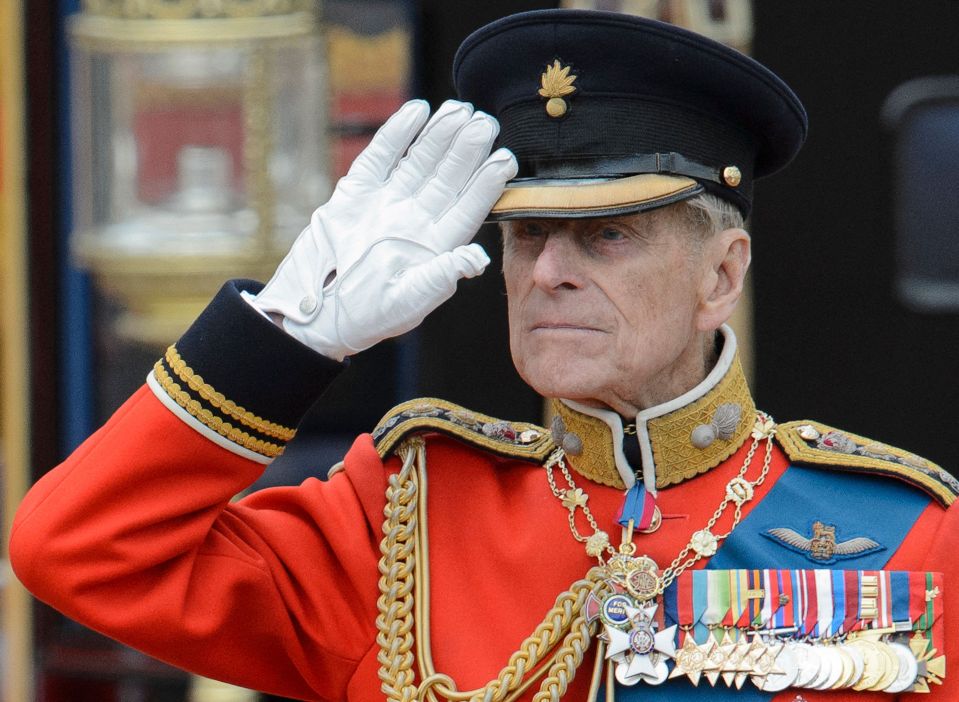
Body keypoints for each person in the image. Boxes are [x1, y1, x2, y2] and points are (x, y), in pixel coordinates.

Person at [10, 9, 959, 702]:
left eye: (607, 237)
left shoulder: (898, 535)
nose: (547, 271)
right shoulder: (404, 515)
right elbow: (78, 553)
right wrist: (284, 335)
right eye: (524, 237)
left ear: (721, 272)